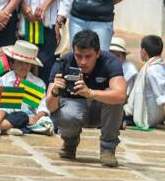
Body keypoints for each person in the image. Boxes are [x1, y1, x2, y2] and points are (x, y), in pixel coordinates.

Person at [46, 29, 129, 167]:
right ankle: (69, 142)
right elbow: (50, 107)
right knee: (66, 112)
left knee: (113, 97)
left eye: (88, 56)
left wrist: (90, 93)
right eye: (78, 56)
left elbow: (121, 95)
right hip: (74, 110)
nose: (83, 62)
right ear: (73, 51)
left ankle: (108, 150)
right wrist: (55, 91)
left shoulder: (110, 61)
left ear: (98, 53)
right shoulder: (63, 63)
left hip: (101, 110)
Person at [0, 40, 53, 134]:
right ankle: (8, 127)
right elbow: (0, 107)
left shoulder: (38, 83)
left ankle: (10, 129)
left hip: (30, 118)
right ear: (12, 64)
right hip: (8, 116)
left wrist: (35, 118)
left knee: (46, 121)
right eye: (20, 63)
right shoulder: (4, 80)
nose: (24, 66)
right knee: (17, 116)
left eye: (27, 63)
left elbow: (43, 107)